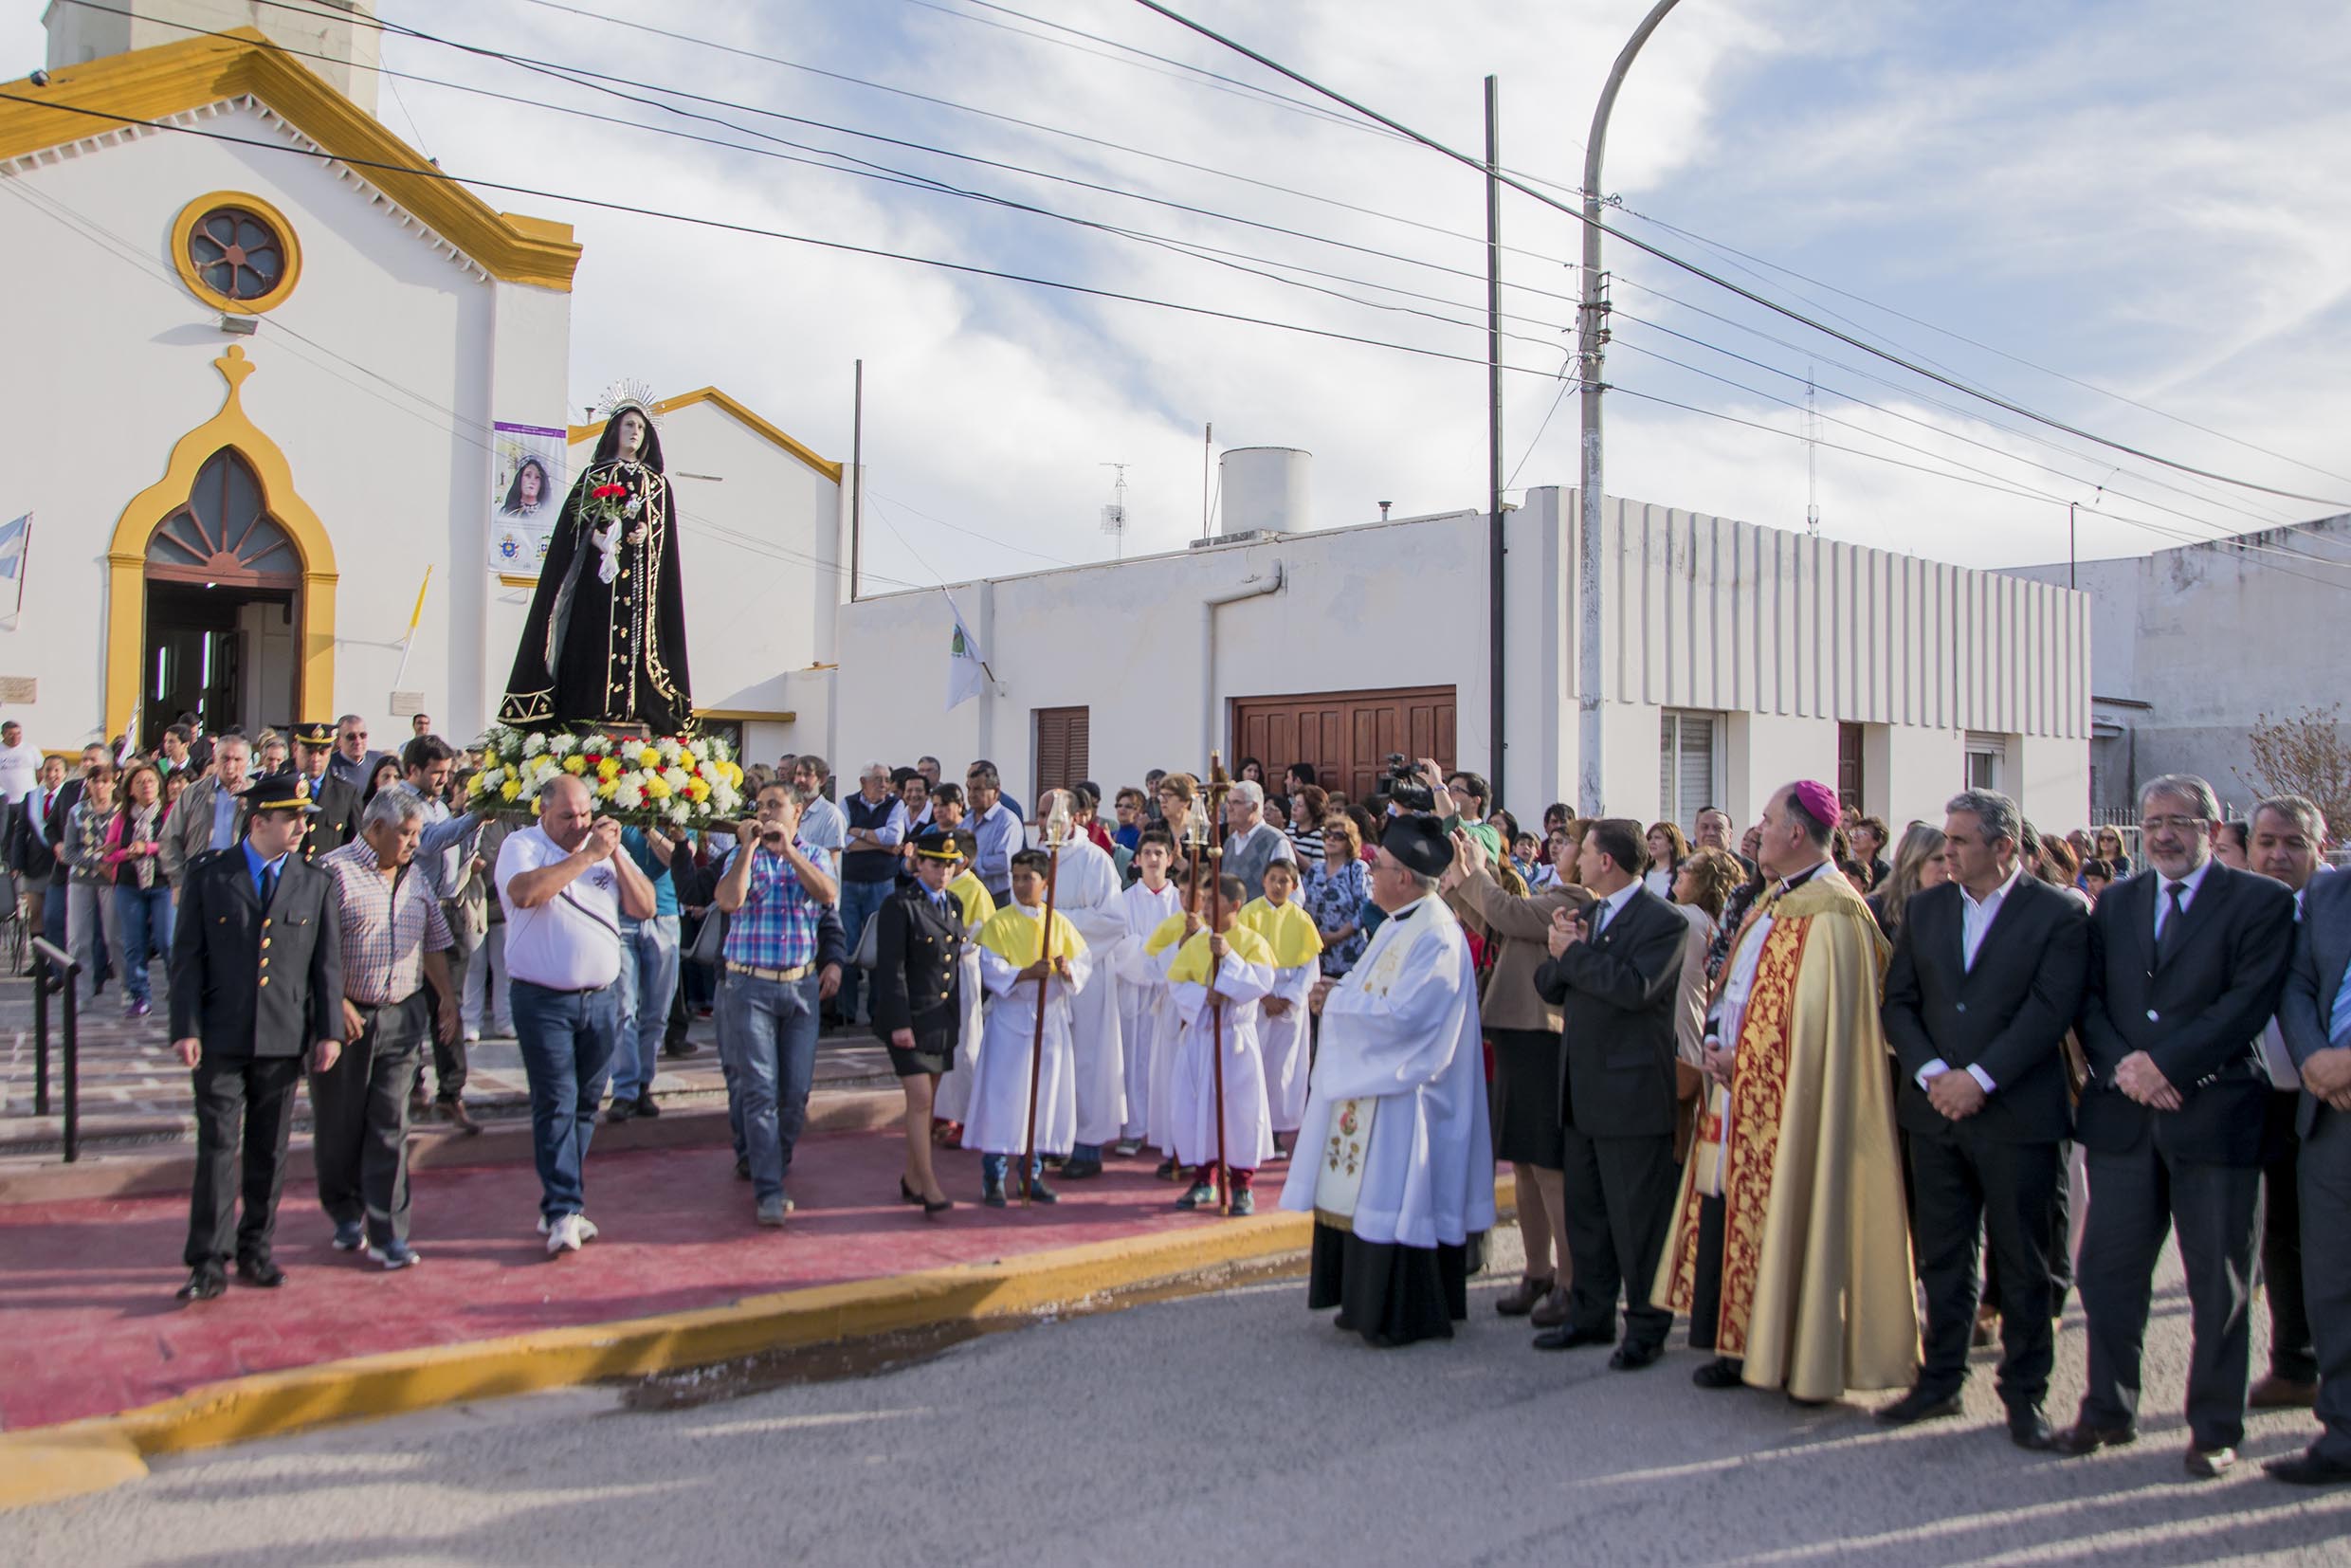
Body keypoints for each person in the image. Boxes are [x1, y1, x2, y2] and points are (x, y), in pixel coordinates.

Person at [2059, 775, 2295, 1477]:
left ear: (2214, 828)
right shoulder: (2118, 901)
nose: (2163, 833)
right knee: (2106, 1275)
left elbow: (2248, 1002)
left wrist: (2169, 1066)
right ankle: (2107, 1409)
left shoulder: (2261, 901)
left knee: (2218, 1285)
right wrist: (2127, 1068)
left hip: (2216, 1116)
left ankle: (2215, 1428)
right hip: (2125, 1119)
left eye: (2181, 821)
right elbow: (2090, 999)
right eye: (2154, 820)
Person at [1657, 779, 1919, 1401]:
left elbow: (1818, 1029)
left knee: (1794, 1212)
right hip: (1738, 1089)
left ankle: (1796, 1349)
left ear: (1797, 833)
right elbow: (1742, 989)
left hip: (1790, 1105)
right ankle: (1739, 1339)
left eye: (1770, 820)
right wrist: (1724, 1049)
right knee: (1730, 1211)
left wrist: (1739, 1059)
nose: (1761, 830)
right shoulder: (1777, 898)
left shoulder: (1834, 912)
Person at [1877, 789, 2087, 1449]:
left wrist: (1981, 1078)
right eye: (1946, 840)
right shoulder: (1930, 908)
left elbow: (2049, 1011)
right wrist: (1935, 1074)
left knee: (2024, 1262)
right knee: (1944, 1255)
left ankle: (2025, 1395)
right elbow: (1900, 1003)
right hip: (1935, 1113)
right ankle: (1939, 1380)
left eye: (1961, 841)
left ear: (2003, 847)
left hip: (2017, 1115)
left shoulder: (2057, 914)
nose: (1948, 852)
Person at [1282, 814, 1494, 1348]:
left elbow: (1410, 1018)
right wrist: (1336, 990)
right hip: (1380, 1085)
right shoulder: (1400, 921)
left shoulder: (1437, 933)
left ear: (1405, 877)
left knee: (1397, 1198)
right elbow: (1366, 985)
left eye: (1379, 867)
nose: (1370, 874)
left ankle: (1404, 1311)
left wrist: (1339, 1003)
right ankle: (1364, 1302)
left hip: (1411, 1095)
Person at [1519, 818, 1689, 1370]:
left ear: (1607, 861)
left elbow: (1635, 990)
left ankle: (1645, 1326)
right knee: (1587, 1215)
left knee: (1637, 1219)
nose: (1576, 859)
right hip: (1582, 1087)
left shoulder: (1664, 921)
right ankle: (1589, 1316)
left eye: (1585, 851)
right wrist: (1558, 947)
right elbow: (1551, 986)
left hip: (1632, 1094)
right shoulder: (1588, 916)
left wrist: (1575, 955)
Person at [168, 771, 343, 1302]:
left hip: (282, 1037)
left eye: (303, 820)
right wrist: (185, 1028)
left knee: (269, 1151)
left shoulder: (314, 882)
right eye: (290, 818)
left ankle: (256, 1249)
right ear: (259, 820)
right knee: (219, 1148)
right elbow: (186, 961)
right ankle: (207, 1260)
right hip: (220, 1036)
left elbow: (325, 967)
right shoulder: (210, 875)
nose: (300, 829)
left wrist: (328, 1032)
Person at [1441, 823, 1592, 1333]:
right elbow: (1497, 927)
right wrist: (1462, 879)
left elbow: (1507, 912)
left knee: (1548, 1166)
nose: (1561, 848)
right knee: (1525, 1164)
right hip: (1516, 1032)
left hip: (1540, 1034)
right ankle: (1537, 1271)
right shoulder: (1554, 891)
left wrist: (1477, 872)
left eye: (1572, 843)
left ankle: (1570, 1280)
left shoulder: (1574, 898)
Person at [498, 774, 657, 1253]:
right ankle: (564, 1207)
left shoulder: (605, 846)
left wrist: (616, 856)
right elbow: (525, 894)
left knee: (587, 1104)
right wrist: (586, 856)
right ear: (542, 812)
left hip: (602, 998)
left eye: (585, 814)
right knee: (556, 1100)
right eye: (568, 816)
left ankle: (563, 1201)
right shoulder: (522, 846)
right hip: (543, 999)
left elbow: (645, 906)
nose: (579, 824)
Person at [312, 788, 462, 1268]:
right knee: (340, 1122)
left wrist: (447, 1000)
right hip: (347, 1020)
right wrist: (334, 1003)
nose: (414, 843)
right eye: (406, 833)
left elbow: (434, 942)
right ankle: (343, 1210)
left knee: (391, 1125)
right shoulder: (334, 872)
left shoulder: (416, 876)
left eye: (417, 834)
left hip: (401, 1015)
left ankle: (388, 1233)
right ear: (375, 829)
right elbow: (311, 950)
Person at [498, 393, 695, 732]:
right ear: (614, 430)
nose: (635, 431)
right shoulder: (595, 477)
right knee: (594, 644)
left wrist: (645, 534)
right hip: (599, 589)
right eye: (628, 425)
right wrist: (599, 538)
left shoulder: (659, 486)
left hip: (641, 593)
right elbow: (572, 532)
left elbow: (665, 549)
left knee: (640, 647)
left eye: (640, 427)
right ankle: (588, 706)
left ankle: (640, 707)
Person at [714, 779, 841, 1227]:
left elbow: (826, 895)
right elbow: (729, 901)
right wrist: (749, 849)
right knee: (760, 1089)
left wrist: (788, 852)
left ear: (798, 813)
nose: (767, 812)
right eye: (762, 805)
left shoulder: (815, 854)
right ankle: (768, 1187)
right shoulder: (739, 855)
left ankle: (771, 1157)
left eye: (776, 805)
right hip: (750, 987)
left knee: (795, 1093)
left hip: (800, 987)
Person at [2271, 836, 2351, 1486]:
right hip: (2330, 1116)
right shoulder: (2328, 893)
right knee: (2334, 1285)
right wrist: (2316, 1059)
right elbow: (2295, 986)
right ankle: (2344, 1434)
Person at [2246, 796, 2329, 1413]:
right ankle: (2294, 1364)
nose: (2279, 854)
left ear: (2318, 851)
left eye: (2294, 843)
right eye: (2268, 841)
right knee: (2280, 1236)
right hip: (2263, 1099)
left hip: (2331, 1099)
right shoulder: (2237, 913)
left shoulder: (2335, 914)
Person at [966, 848, 1092, 1206]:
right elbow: (990, 968)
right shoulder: (1000, 923)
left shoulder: (1059, 922)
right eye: (1016, 878)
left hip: (1049, 1019)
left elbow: (1084, 962)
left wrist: (1067, 970)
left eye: (1028, 879)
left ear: (1045, 883)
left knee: (1041, 1100)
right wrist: (1024, 973)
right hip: (1011, 1020)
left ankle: (1031, 1173)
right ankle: (994, 1175)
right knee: (1004, 1099)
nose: (1021, 885)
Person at [1161, 873, 1279, 1214]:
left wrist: (1228, 958)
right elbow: (1176, 982)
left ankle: (1242, 1183)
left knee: (1241, 1111)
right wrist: (1202, 996)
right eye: (1205, 900)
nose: (1207, 907)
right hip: (1202, 1036)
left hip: (1236, 1036)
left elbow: (1260, 983)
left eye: (1214, 901)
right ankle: (1203, 1177)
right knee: (1199, 1108)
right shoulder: (1196, 943)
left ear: (1235, 905)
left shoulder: (1252, 942)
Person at [869, 827, 968, 1215]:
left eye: (949, 865)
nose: (942, 873)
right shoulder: (900, 905)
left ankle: (911, 1175)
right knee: (920, 1101)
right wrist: (899, 1022)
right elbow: (891, 969)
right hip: (909, 1017)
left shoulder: (954, 904)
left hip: (940, 1018)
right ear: (918, 864)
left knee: (928, 1102)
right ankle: (928, 1182)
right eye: (934, 864)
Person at [1035, 790, 1127, 1180]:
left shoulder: (1096, 860)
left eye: (1052, 813)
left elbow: (1112, 921)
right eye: (1040, 813)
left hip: (1086, 973)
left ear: (1074, 818)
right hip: (1045, 975)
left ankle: (1087, 1145)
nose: (1044, 821)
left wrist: (1056, 924)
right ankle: (1054, 1139)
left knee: (1087, 1059)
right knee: (1050, 1058)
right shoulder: (1037, 858)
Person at [396, 737, 486, 1130]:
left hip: (448, 911)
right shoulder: (402, 803)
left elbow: (460, 852)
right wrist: (473, 817)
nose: (444, 780)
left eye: (447, 773)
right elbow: (429, 843)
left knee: (449, 1004)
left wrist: (474, 826)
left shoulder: (437, 805)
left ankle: (451, 1091)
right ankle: (410, 1085)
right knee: (411, 1002)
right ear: (412, 770)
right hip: (413, 912)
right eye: (436, 773)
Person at [1240, 858, 1322, 1157]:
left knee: (1284, 1070)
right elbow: (1241, 961)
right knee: (1254, 1065)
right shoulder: (1248, 915)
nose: (1277, 885)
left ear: (1294, 885)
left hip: (1289, 1007)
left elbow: (1309, 967)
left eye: (1284, 880)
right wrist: (1264, 996)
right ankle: (1250, 1127)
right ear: (1263, 881)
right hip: (1258, 1002)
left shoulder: (1301, 920)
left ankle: (1275, 1132)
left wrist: (1288, 997)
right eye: (1272, 879)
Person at [1109, 827, 1183, 1157]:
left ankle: (1166, 1127)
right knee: (1134, 1058)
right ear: (1137, 860)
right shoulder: (1123, 901)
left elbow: (1186, 949)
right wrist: (1151, 958)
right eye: (1148, 854)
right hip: (1135, 994)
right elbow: (1120, 947)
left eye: (1159, 853)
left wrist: (1159, 961)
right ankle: (1134, 1128)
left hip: (1169, 994)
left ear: (1170, 859)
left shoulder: (1182, 904)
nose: (1153, 859)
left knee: (1167, 1060)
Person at [607, 823, 683, 1123]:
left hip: (664, 914)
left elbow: (674, 859)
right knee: (624, 1007)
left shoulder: (679, 808)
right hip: (621, 915)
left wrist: (650, 828)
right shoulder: (616, 802)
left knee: (656, 1011)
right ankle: (624, 1090)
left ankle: (643, 1084)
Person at [834, 762, 909, 1028]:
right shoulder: (847, 803)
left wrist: (859, 834)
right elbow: (842, 841)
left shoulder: (896, 805)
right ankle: (846, 1011)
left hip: (881, 883)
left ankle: (879, 1011)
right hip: (850, 884)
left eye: (886, 779)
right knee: (848, 945)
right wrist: (879, 844)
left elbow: (894, 837)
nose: (883, 784)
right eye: (877, 779)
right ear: (862, 781)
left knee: (881, 947)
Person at [105, 761, 173, 1018]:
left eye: (151, 781)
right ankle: (140, 996)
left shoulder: (167, 813)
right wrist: (127, 852)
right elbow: (110, 853)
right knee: (134, 943)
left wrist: (148, 848)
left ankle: (178, 989)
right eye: (140, 782)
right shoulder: (122, 817)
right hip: (128, 885)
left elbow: (173, 845)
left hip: (162, 883)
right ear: (130, 789)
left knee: (167, 940)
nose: (146, 786)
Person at [159, 734, 251, 895]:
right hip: (198, 879)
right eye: (225, 758)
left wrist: (248, 801)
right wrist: (178, 881)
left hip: (241, 881)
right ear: (215, 758)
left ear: (247, 762)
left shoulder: (256, 794)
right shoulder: (193, 792)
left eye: (237, 760)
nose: (230, 766)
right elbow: (169, 839)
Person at [60, 766, 120, 1004]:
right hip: (82, 879)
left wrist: (111, 863)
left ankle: (128, 990)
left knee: (115, 937)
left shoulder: (120, 812)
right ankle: (79, 993)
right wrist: (96, 863)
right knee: (78, 939)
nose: (100, 786)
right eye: (95, 782)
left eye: (105, 781)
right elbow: (69, 852)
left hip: (112, 880)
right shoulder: (77, 812)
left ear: (113, 784)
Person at [10, 753, 69, 942]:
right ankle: (40, 964)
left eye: (57, 770)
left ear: (66, 774)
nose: (52, 774)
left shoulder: (71, 796)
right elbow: (20, 832)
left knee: (57, 916)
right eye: (48, 769)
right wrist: (17, 863)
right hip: (35, 864)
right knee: (35, 914)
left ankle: (58, 960)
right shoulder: (32, 797)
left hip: (60, 864)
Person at [1306, 814, 1374, 977]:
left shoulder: (1357, 869)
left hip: (1348, 952)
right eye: (1328, 835)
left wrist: (1337, 936)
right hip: (1315, 952)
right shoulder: (1315, 870)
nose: (1331, 839)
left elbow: (1365, 908)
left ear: (1349, 841)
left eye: (1338, 836)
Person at [290, 722, 362, 864]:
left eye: (322, 752)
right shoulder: (280, 787)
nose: (315, 759)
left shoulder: (346, 792)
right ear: (295, 749)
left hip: (327, 876)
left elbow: (355, 845)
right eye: (309, 751)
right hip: (288, 876)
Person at [1217, 779, 1296, 904]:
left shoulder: (1275, 841)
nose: (1229, 808)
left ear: (1254, 806)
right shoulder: (1230, 843)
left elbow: (1292, 893)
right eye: (1228, 802)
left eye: (1236, 802)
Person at [1867, 822, 1950, 940]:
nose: (1947, 868)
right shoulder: (1875, 909)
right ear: (1913, 862)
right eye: (1938, 859)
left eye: (1949, 859)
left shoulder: (1951, 908)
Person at [966, 765, 1022, 902]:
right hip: (971, 894)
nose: (972, 794)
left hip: (999, 897)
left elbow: (1004, 862)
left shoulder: (1007, 821)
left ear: (996, 791)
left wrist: (972, 864)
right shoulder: (966, 821)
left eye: (978, 789)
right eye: (969, 789)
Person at [326, 715, 382, 793]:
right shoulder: (328, 765)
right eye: (351, 737)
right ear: (339, 740)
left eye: (362, 735)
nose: (358, 741)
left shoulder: (379, 760)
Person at [1643, 822, 1688, 901]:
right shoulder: (1643, 872)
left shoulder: (1681, 873)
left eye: (1657, 838)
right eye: (1649, 838)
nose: (1652, 842)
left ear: (1672, 844)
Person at [501, 453, 552, 517]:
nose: (532, 481)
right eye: (528, 475)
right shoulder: (506, 512)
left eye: (537, 477)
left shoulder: (549, 514)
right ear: (520, 479)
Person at [1850, 815, 1892, 892]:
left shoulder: (1884, 873)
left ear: (1875, 843)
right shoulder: (1845, 868)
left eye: (1862, 833)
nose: (1855, 836)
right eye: (1854, 832)